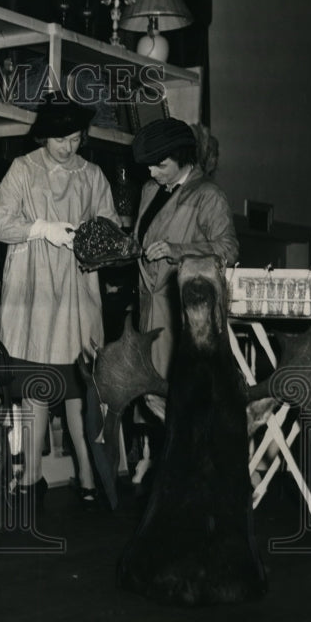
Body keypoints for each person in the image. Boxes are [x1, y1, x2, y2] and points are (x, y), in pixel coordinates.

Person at [0, 93, 121, 514]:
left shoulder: (92, 175)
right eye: (61, 139)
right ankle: (31, 475)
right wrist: (42, 228)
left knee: (78, 385)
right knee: (35, 384)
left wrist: (90, 240)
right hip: (32, 289)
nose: (69, 147)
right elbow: (0, 224)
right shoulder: (22, 170)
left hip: (76, 289)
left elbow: (110, 228)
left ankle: (87, 475)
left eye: (76, 138)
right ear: (45, 136)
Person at [131, 117, 239, 479]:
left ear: (182, 158)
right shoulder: (149, 189)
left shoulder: (208, 195)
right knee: (152, 394)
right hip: (149, 307)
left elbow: (228, 250)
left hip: (181, 312)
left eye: (160, 164)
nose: (151, 170)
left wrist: (178, 250)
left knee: (177, 399)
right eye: (148, 164)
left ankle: (188, 475)